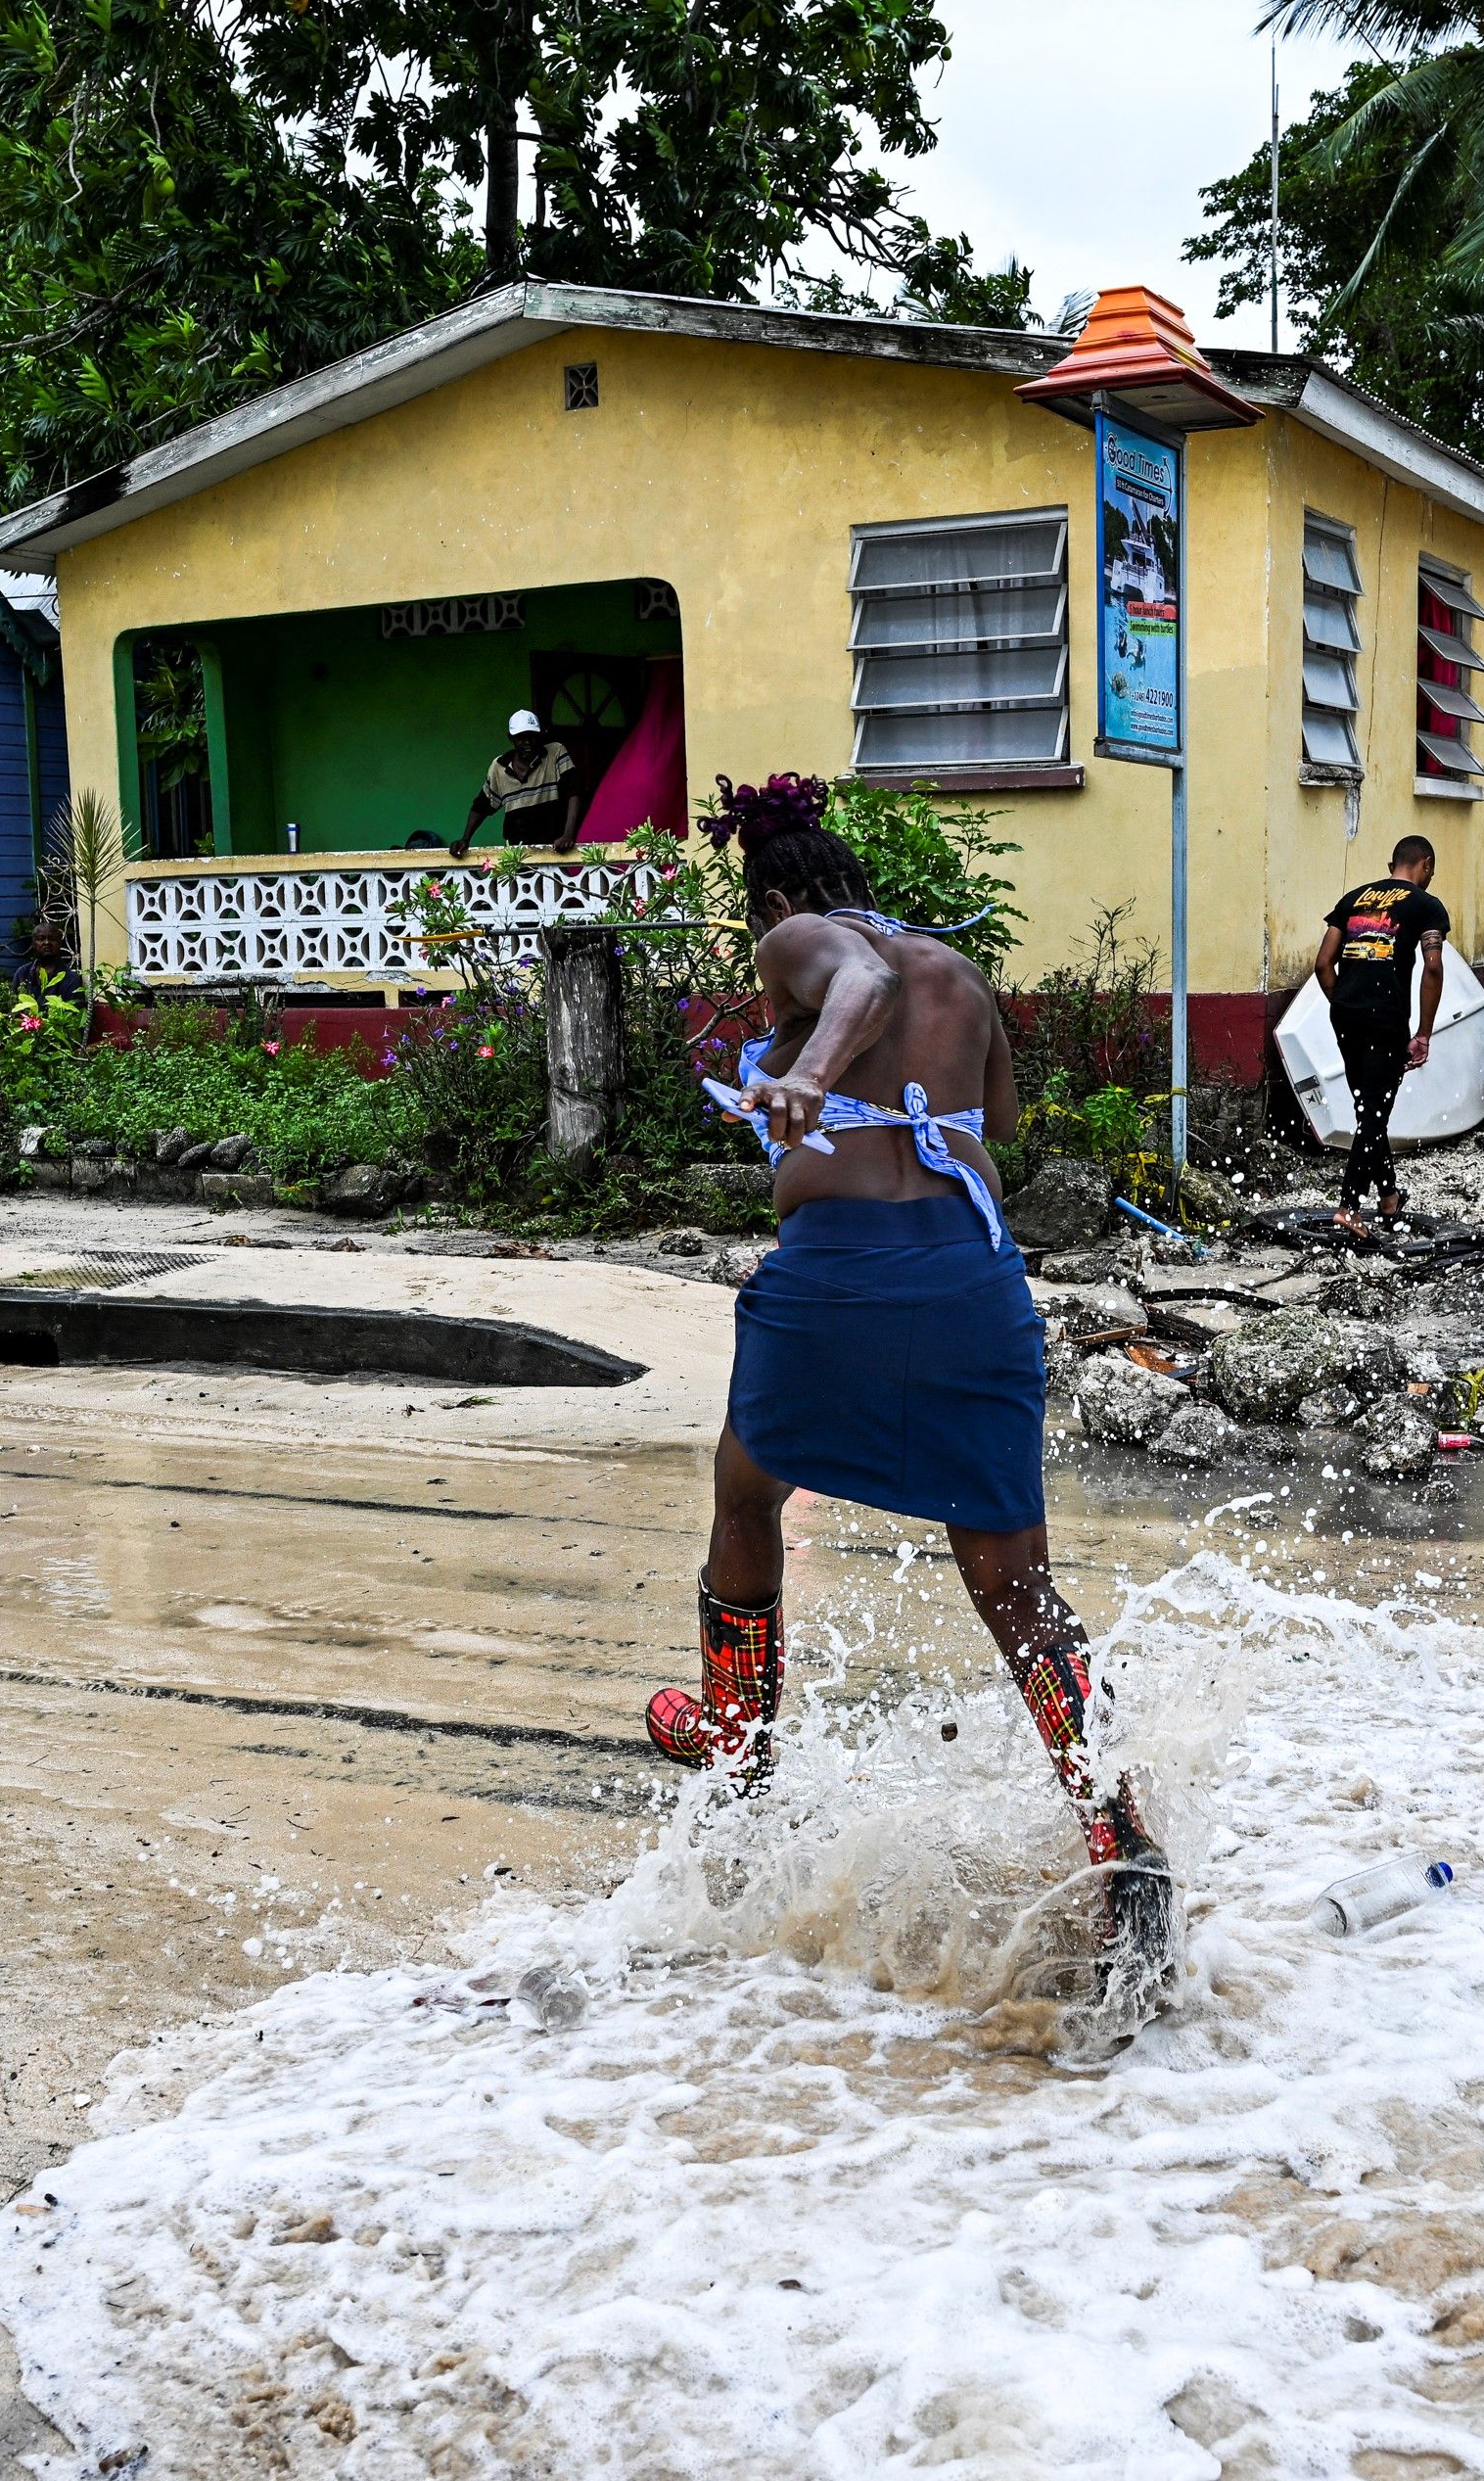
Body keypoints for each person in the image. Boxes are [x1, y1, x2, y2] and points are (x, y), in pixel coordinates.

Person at [666, 772, 1172, 2009]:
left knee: (747, 1495)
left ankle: (738, 1751)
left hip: (835, 1279)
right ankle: (1119, 1834)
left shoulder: (810, 940)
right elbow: (990, 1117)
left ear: (782, 896)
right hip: (969, 1281)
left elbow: (860, 985)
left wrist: (804, 1068)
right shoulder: (970, 978)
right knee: (1017, 1586)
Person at [1312, 837, 1451, 1229]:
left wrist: (1344, 1003)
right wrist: (1423, 1033)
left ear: (1393, 864)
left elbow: (1323, 964)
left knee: (1369, 1108)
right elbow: (1434, 968)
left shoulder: (1353, 899)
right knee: (1374, 1112)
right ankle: (1349, 1207)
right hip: (1384, 1020)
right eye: (1431, 872)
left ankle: (1388, 1197)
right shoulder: (1426, 907)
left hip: (1344, 1016)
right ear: (1424, 864)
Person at [455, 708, 579, 851]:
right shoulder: (499, 767)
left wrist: (568, 834)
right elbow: (481, 806)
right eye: (521, 737)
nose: (527, 742)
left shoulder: (555, 752)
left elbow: (573, 792)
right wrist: (465, 839)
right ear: (511, 738)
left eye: (532, 736)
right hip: (518, 853)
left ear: (539, 735)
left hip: (555, 848)